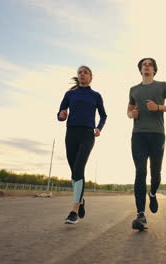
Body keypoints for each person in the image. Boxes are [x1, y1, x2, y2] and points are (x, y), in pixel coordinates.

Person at [126, 58, 166, 230]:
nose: (147, 66)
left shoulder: (162, 85)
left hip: (157, 135)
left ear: (154, 69)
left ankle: (153, 193)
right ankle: (141, 215)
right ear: (140, 69)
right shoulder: (133, 89)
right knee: (140, 172)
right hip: (138, 135)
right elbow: (128, 111)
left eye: (150, 64)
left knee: (155, 173)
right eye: (144, 64)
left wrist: (158, 107)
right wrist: (131, 114)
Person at [57, 65, 107, 224]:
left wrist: (98, 128)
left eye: (86, 73)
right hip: (71, 133)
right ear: (77, 77)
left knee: (79, 168)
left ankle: (74, 211)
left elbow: (104, 115)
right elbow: (60, 114)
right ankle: (81, 200)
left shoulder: (96, 96)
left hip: (87, 135)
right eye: (80, 73)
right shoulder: (69, 94)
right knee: (74, 173)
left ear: (91, 77)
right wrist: (61, 115)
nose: (82, 74)